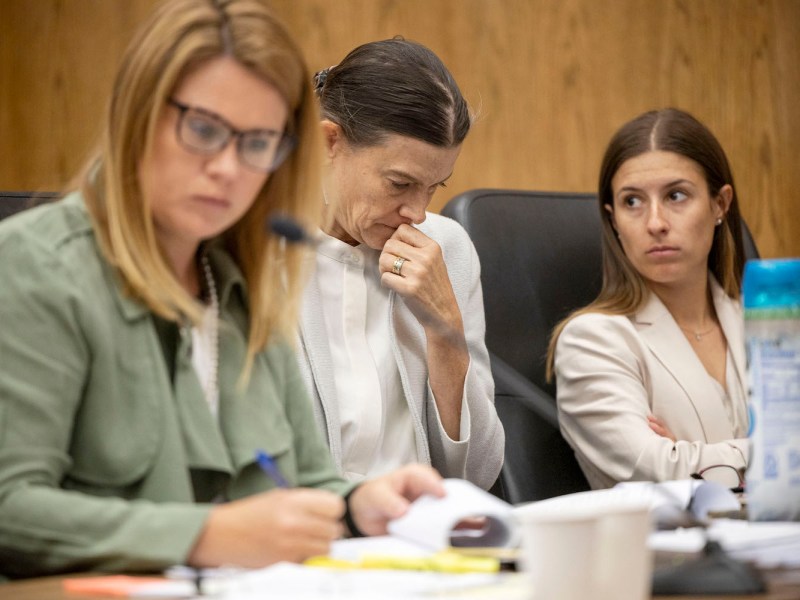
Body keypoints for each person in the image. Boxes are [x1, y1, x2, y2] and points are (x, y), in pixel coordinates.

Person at [0, 0, 445, 579]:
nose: (229, 169)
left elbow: (306, 482)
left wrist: (358, 505)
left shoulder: (248, 278)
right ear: (137, 115)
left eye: (258, 143)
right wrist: (205, 535)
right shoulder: (34, 266)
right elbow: (10, 508)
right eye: (204, 130)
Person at [296, 39, 503, 489]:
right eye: (400, 183)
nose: (416, 212)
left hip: (425, 540)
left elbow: (480, 476)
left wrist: (446, 332)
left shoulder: (447, 248)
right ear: (329, 142)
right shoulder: (254, 254)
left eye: (433, 187)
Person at [548, 108, 750, 490]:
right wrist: (773, 457)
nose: (655, 222)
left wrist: (691, 459)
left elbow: (683, 471)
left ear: (719, 205)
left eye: (676, 195)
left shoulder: (767, 325)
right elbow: (656, 469)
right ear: (613, 221)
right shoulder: (592, 340)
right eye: (632, 202)